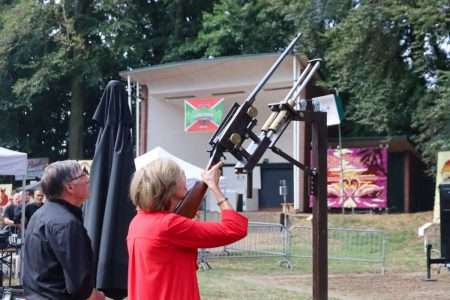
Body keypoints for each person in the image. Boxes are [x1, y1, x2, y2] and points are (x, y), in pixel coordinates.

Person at [127, 159, 248, 300]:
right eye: (179, 175)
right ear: (168, 186)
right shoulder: (169, 225)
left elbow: (175, 264)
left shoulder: (137, 222)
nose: (184, 177)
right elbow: (235, 228)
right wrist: (215, 187)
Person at [23, 160, 104, 300]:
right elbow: (80, 288)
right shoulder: (66, 224)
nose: (88, 178)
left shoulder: (39, 215)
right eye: (83, 174)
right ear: (70, 187)